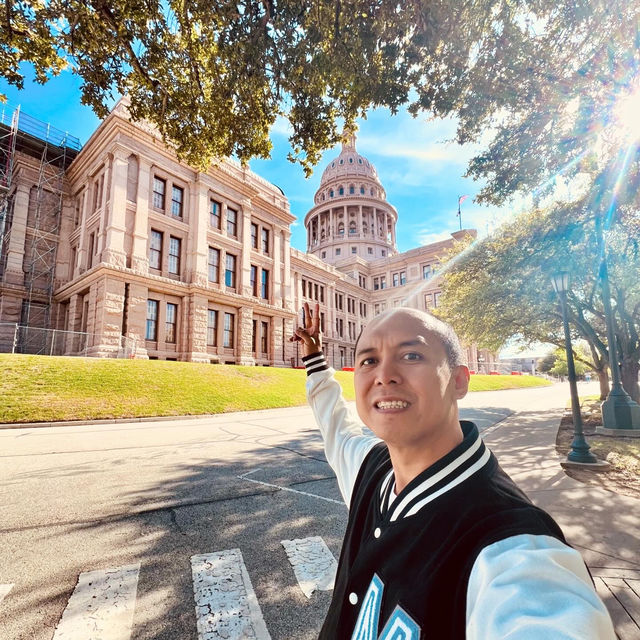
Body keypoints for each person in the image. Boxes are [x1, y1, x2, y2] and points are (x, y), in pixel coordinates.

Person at [290, 302, 615, 639]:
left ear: (459, 381)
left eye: (411, 356)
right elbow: (335, 428)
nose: (384, 375)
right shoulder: (372, 470)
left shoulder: (511, 548)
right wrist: (314, 357)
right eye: (369, 360)